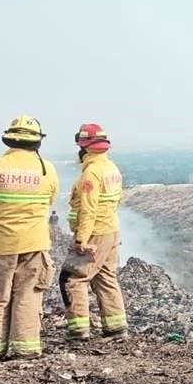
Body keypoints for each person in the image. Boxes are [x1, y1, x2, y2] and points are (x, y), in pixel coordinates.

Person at [0, 115, 60, 359]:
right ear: (37, 142)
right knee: (28, 296)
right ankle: (26, 349)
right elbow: (51, 198)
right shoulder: (46, 169)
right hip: (36, 243)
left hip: (2, 244)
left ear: (9, 139)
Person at [60, 123, 128, 341]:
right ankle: (116, 328)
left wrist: (81, 239)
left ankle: (78, 329)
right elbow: (117, 200)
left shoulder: (92, 173)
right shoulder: (112, 169)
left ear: (84, 147)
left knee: (73, 278)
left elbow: (89, 209)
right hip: (111, 230)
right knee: (106, 277)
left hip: (95, 233)